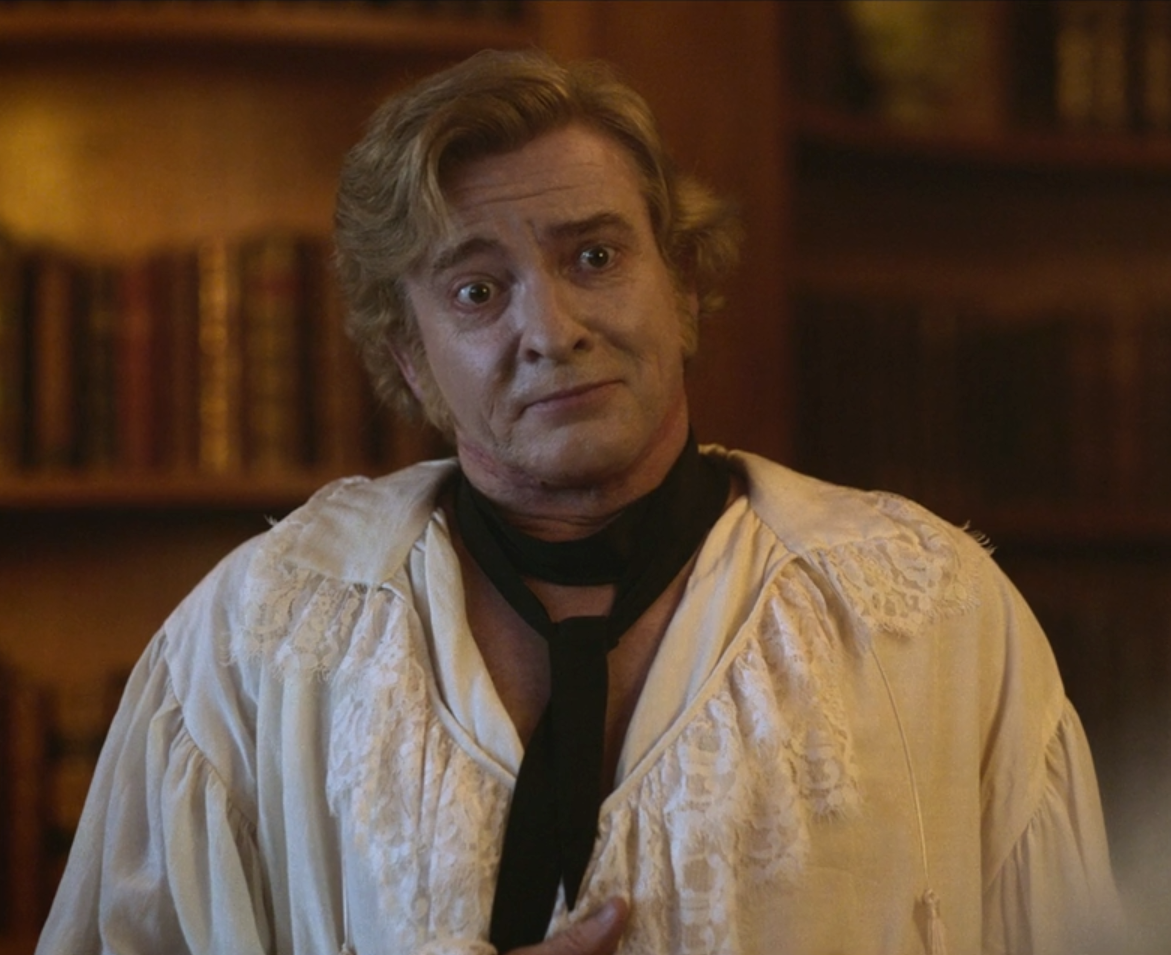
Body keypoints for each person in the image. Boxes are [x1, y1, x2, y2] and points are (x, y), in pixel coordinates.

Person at [36, 49, 1122, 955]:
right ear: (409, 354)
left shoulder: (931, 617)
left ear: (681, 282)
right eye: (476, 290)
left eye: (594, 256)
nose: (551, 330)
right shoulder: (254, 641)